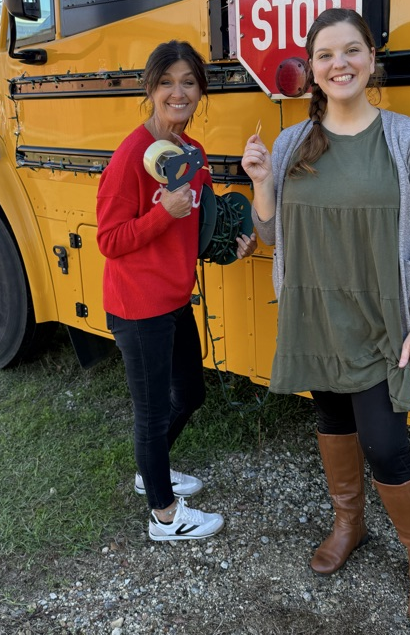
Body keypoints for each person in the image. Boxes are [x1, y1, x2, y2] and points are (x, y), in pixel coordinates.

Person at [241, 8, 410, 633]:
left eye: (352, 50)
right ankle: (349, 523)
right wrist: (259, 184)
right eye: (326, 55)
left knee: (386, 445)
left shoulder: (407, 137)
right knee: (331, 417)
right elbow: (274, 235)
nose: (340, 64)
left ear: (371, 59)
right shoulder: (289, 143)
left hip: (383, 317)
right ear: (311, 70)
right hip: (314, 311)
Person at [96, 40, 256, 542]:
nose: (177, 92)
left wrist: (231, 247)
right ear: (151, 89)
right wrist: (161, 212)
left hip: (174, 298)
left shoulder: (192, 151)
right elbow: (109, 239)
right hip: (137, 306)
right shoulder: (130, 158)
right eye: (166, 82)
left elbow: (196, 227)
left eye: (188, 82)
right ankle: (165, 515)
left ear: (200, 91)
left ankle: (153, 472)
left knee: (189, 392)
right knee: (151, 409)